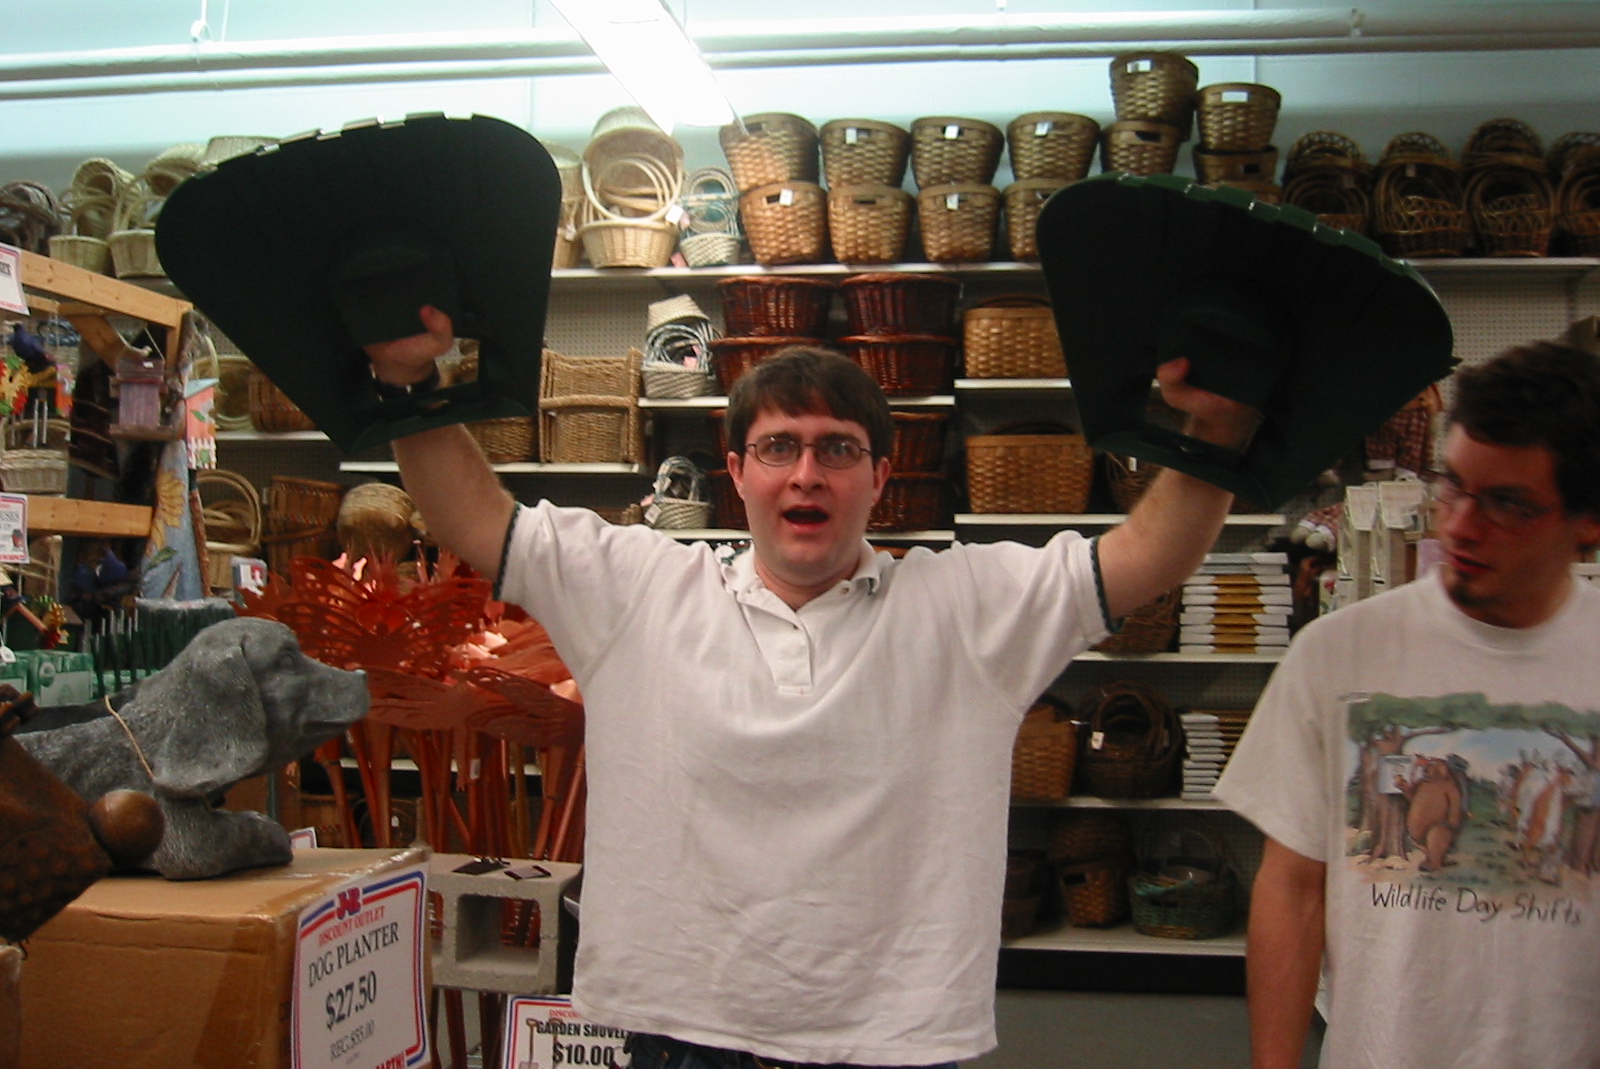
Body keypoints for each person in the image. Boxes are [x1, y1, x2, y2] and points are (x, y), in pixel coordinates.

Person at [368, 304, 1257, 1069]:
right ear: (736, 473)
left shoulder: (968, 607)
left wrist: (1216, 434)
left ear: (879, 477)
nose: (806, 473)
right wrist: (410, 385)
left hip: (892, 1042)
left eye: (838, 449)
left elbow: (1148, 557)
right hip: (683, 1034)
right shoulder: (638, 590)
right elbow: (473, 518)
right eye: (778, 447)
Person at [1214, 340, 1600, 1069]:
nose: (1459, 526)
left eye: (1507, 504)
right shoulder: (1336, 654)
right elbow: (1293, 891)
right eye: (1454, 485)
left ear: (1588, 523)